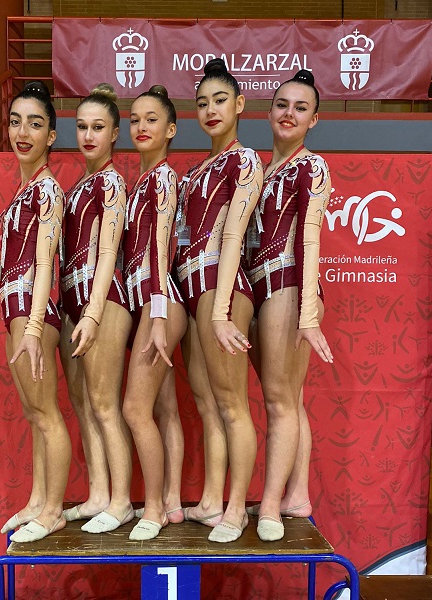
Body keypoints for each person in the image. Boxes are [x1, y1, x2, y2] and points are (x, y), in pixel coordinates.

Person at [244, 69, 333, 542]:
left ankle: (273, 505)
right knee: (289, 399)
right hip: (262, 285)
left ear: (313, 120)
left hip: (290, 284)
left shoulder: (311, 167)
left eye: (300, 108)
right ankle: (297, 492)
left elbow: (311, 238)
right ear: (269, 110)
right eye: (282, 104)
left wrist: (308, 310)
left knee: (280, 402)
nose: (289, 113)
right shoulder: (262, 167)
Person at [175, 59, 262, 543]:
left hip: (222, 288)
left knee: (232, 405)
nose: (210, 110)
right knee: (207, 404)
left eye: (220, 100)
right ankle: (210, 499)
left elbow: (232, 237)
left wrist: (223, 308)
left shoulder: (244, 161)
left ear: (240, 105)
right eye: (203, 103)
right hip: (192, 290)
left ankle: (236, 508)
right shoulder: (192, 172)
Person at [58, 84, 134, 534]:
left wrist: (91, 311)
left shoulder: (111, 182)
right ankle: (100, 493)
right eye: (82, 127)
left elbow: (108, 253)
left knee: (105, 404)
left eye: (98, 128)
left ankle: (122, 501)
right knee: (83, 403)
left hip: (103, 299)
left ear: (115, 134)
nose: (88, 135)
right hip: (75, 297)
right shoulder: (79, 184)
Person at [0, 81, 71, 543]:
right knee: (32, 413)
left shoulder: (48, 191)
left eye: (36, 124)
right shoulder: (24, 190)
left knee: (47, 414)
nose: (23, 132)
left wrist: (34, 325)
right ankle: (37, 499)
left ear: (51, 136)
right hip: (15, 310)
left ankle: (54, 510)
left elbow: (45, 262)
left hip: (32, 311)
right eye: (16, 121)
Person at [121, 85, 187, 541]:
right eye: (135, 119)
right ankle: (173, 503)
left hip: (159, 302)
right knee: (165, 408)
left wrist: (158, 317)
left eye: (151, 120)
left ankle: (154, 509)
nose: (141, 127)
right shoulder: (140, 181)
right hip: (150, 303)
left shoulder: (163, 178)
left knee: (133, 408)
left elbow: (162, 251)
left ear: (171, 130)